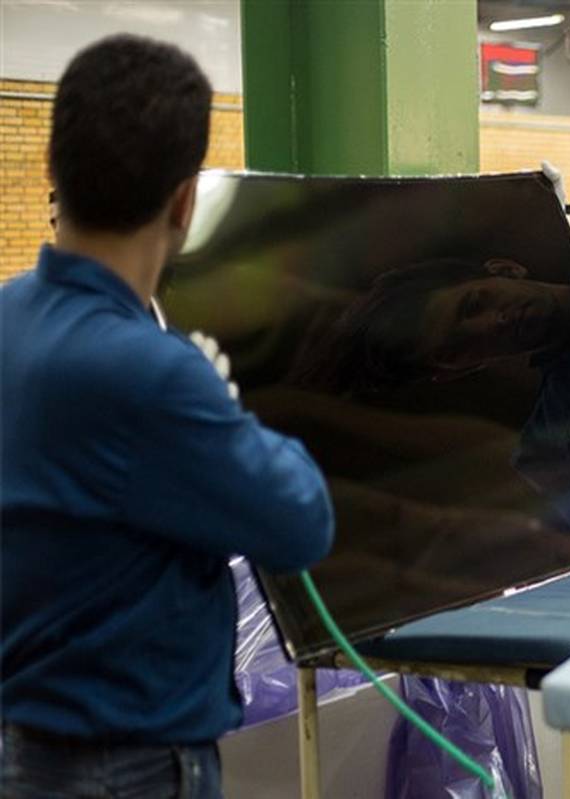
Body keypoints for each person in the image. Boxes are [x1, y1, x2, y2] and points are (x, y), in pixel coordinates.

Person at [0, 34, 334, 797]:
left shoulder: (8, 320)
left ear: (51, 168)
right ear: (184, 202)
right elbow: (301, 521)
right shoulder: (152, 373)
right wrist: (226, 408)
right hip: (129, 769)